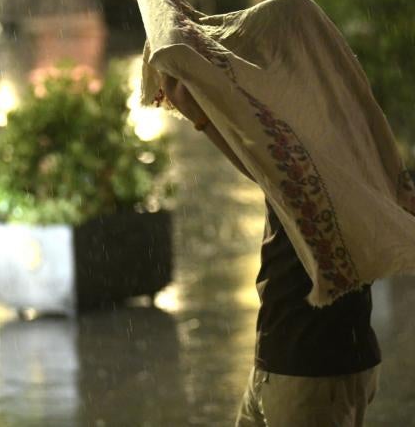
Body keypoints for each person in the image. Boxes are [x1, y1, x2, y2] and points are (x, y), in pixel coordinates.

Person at [158, 72, 381, 427]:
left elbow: (257, 162)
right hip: (281, 364)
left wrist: (197, 112)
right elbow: (258, 165)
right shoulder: (320, 158)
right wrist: (197, 111)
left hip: (311, 374)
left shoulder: (327, 166)